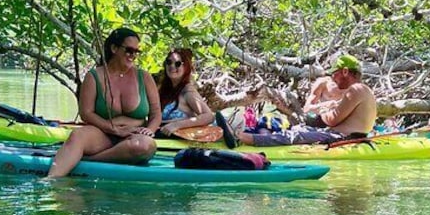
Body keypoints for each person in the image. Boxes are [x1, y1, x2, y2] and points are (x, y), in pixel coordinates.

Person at [47, 27, 161, 178]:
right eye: (129, 50)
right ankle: (51, 180)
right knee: (77, 136)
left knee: (144, 146)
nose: (132, 55)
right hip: (102, 133)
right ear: (114, 48)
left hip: (134, 135)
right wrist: (112, 129)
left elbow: (156, 113)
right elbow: (86, 113)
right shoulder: (94, 76)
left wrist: (150, 130)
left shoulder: (144, 77)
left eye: (136, 52)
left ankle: (88, 160)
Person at [219, 54, 377, 147]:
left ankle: (244, 138)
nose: (332, 78)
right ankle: (243, 134)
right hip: (344, 134)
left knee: (296, 136)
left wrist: (324, 109)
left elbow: (332, 120)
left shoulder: (356, 90)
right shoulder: (365, 90)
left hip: (343, 138)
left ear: (345, 71)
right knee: (297, 130)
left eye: (334, 73)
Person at [157, 48, 214, 137]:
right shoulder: (162, 90)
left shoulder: (188, 91)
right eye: (169, 62)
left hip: (182, 141)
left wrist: (177, 125)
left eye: (178, 63)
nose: (172, 66)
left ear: (186, 67)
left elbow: (209, 116)